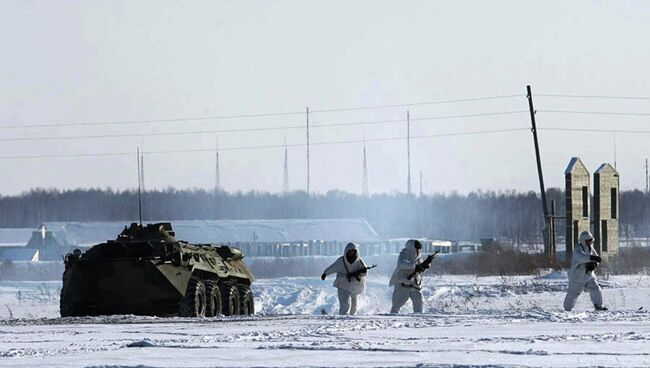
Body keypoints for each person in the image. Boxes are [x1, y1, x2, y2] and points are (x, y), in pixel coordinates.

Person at [563, 230, 608, 311]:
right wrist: (591, 258)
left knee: (595, 289)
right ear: (584, 240)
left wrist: (594, 265)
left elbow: (597, 259)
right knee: (573, 294)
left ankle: (598, 306)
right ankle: (567, 309)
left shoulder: (591, 249)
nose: (590, 242)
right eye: (588, 240)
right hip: (577, 277)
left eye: (591, 240)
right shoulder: (578, 249)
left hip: (589, 275)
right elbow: (581, 257)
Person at [321, 242, 368, 315]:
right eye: (350, 251)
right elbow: (333, 267)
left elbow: (364, 272)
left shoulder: (359, 262)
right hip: (343, 284)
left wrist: (358, 273)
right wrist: (325, 273)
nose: (351, 253)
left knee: (354, 304)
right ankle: (343, 316)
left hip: (354, 285)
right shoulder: (341, 261)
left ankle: (352, 317)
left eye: (353, 251)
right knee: (345, 304)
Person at [389, 239, 427, 313]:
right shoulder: (403, 254)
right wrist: (415, 266)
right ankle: (392, 319)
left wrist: (424, 266)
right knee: (397, 304)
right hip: (402, 283)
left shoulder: (418, 257)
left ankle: (419, 320)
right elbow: (402, 264)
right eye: (416, 248)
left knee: (418, 302)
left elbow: (421, 267)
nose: (418, 250)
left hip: (415, 283)